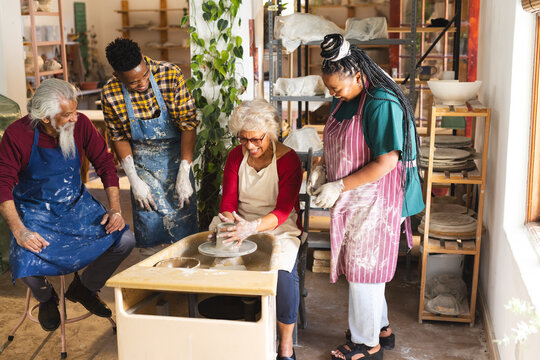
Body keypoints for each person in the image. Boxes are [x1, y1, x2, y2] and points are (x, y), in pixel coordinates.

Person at [307, 34, 424, 360]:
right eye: (329, 89)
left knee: (364, 273)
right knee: (366, 272)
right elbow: (340, 141)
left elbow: (387, 161)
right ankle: (381, 330)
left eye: (336, 88)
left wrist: (339, 185)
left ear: (357, 75)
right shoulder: (346, 97)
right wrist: (322, 168)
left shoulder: (380, 102)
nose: (333, 94)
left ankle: (366, 344)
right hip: (355, 198)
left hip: (377, 201)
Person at [0, 79, 135, 332]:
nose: (75, 117)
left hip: (75, 206)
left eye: (75, 110)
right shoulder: (17, 135)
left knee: (124, 240)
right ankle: (46, 298)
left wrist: (115, 209)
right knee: (23, 260)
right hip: (35, 209)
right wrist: (20, 230)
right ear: (44, 117)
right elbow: (2, 185)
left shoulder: (81, 124)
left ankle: (85, 288)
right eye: (67, 114)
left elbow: (105, 165)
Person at [210, 99, 302, 360]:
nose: (249, 146)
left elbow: (284, 210)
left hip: (278, 226)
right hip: (238, 222)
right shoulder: (234, 157)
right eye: (243, 140)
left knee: (283, 274)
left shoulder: (288, 160)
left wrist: (253, 227)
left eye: (256, 139)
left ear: (269, 133)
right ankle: (237, 326)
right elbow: (227, 202)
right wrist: (233, 225)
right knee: (216, 263)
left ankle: (285, 345)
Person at [102, 38, 199, 256]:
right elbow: (118, 136)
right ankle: (155, 287)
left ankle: (187, 288)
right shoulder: (110, 92)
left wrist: (185, 171)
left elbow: (188, 125)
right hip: (142, 168)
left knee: (186, 240)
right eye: (134, 83)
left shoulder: (170, 74)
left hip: (177, 163)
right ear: (118, 76)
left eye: (145, 75)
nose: (143, 83)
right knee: (150, 240)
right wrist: (133, 180)